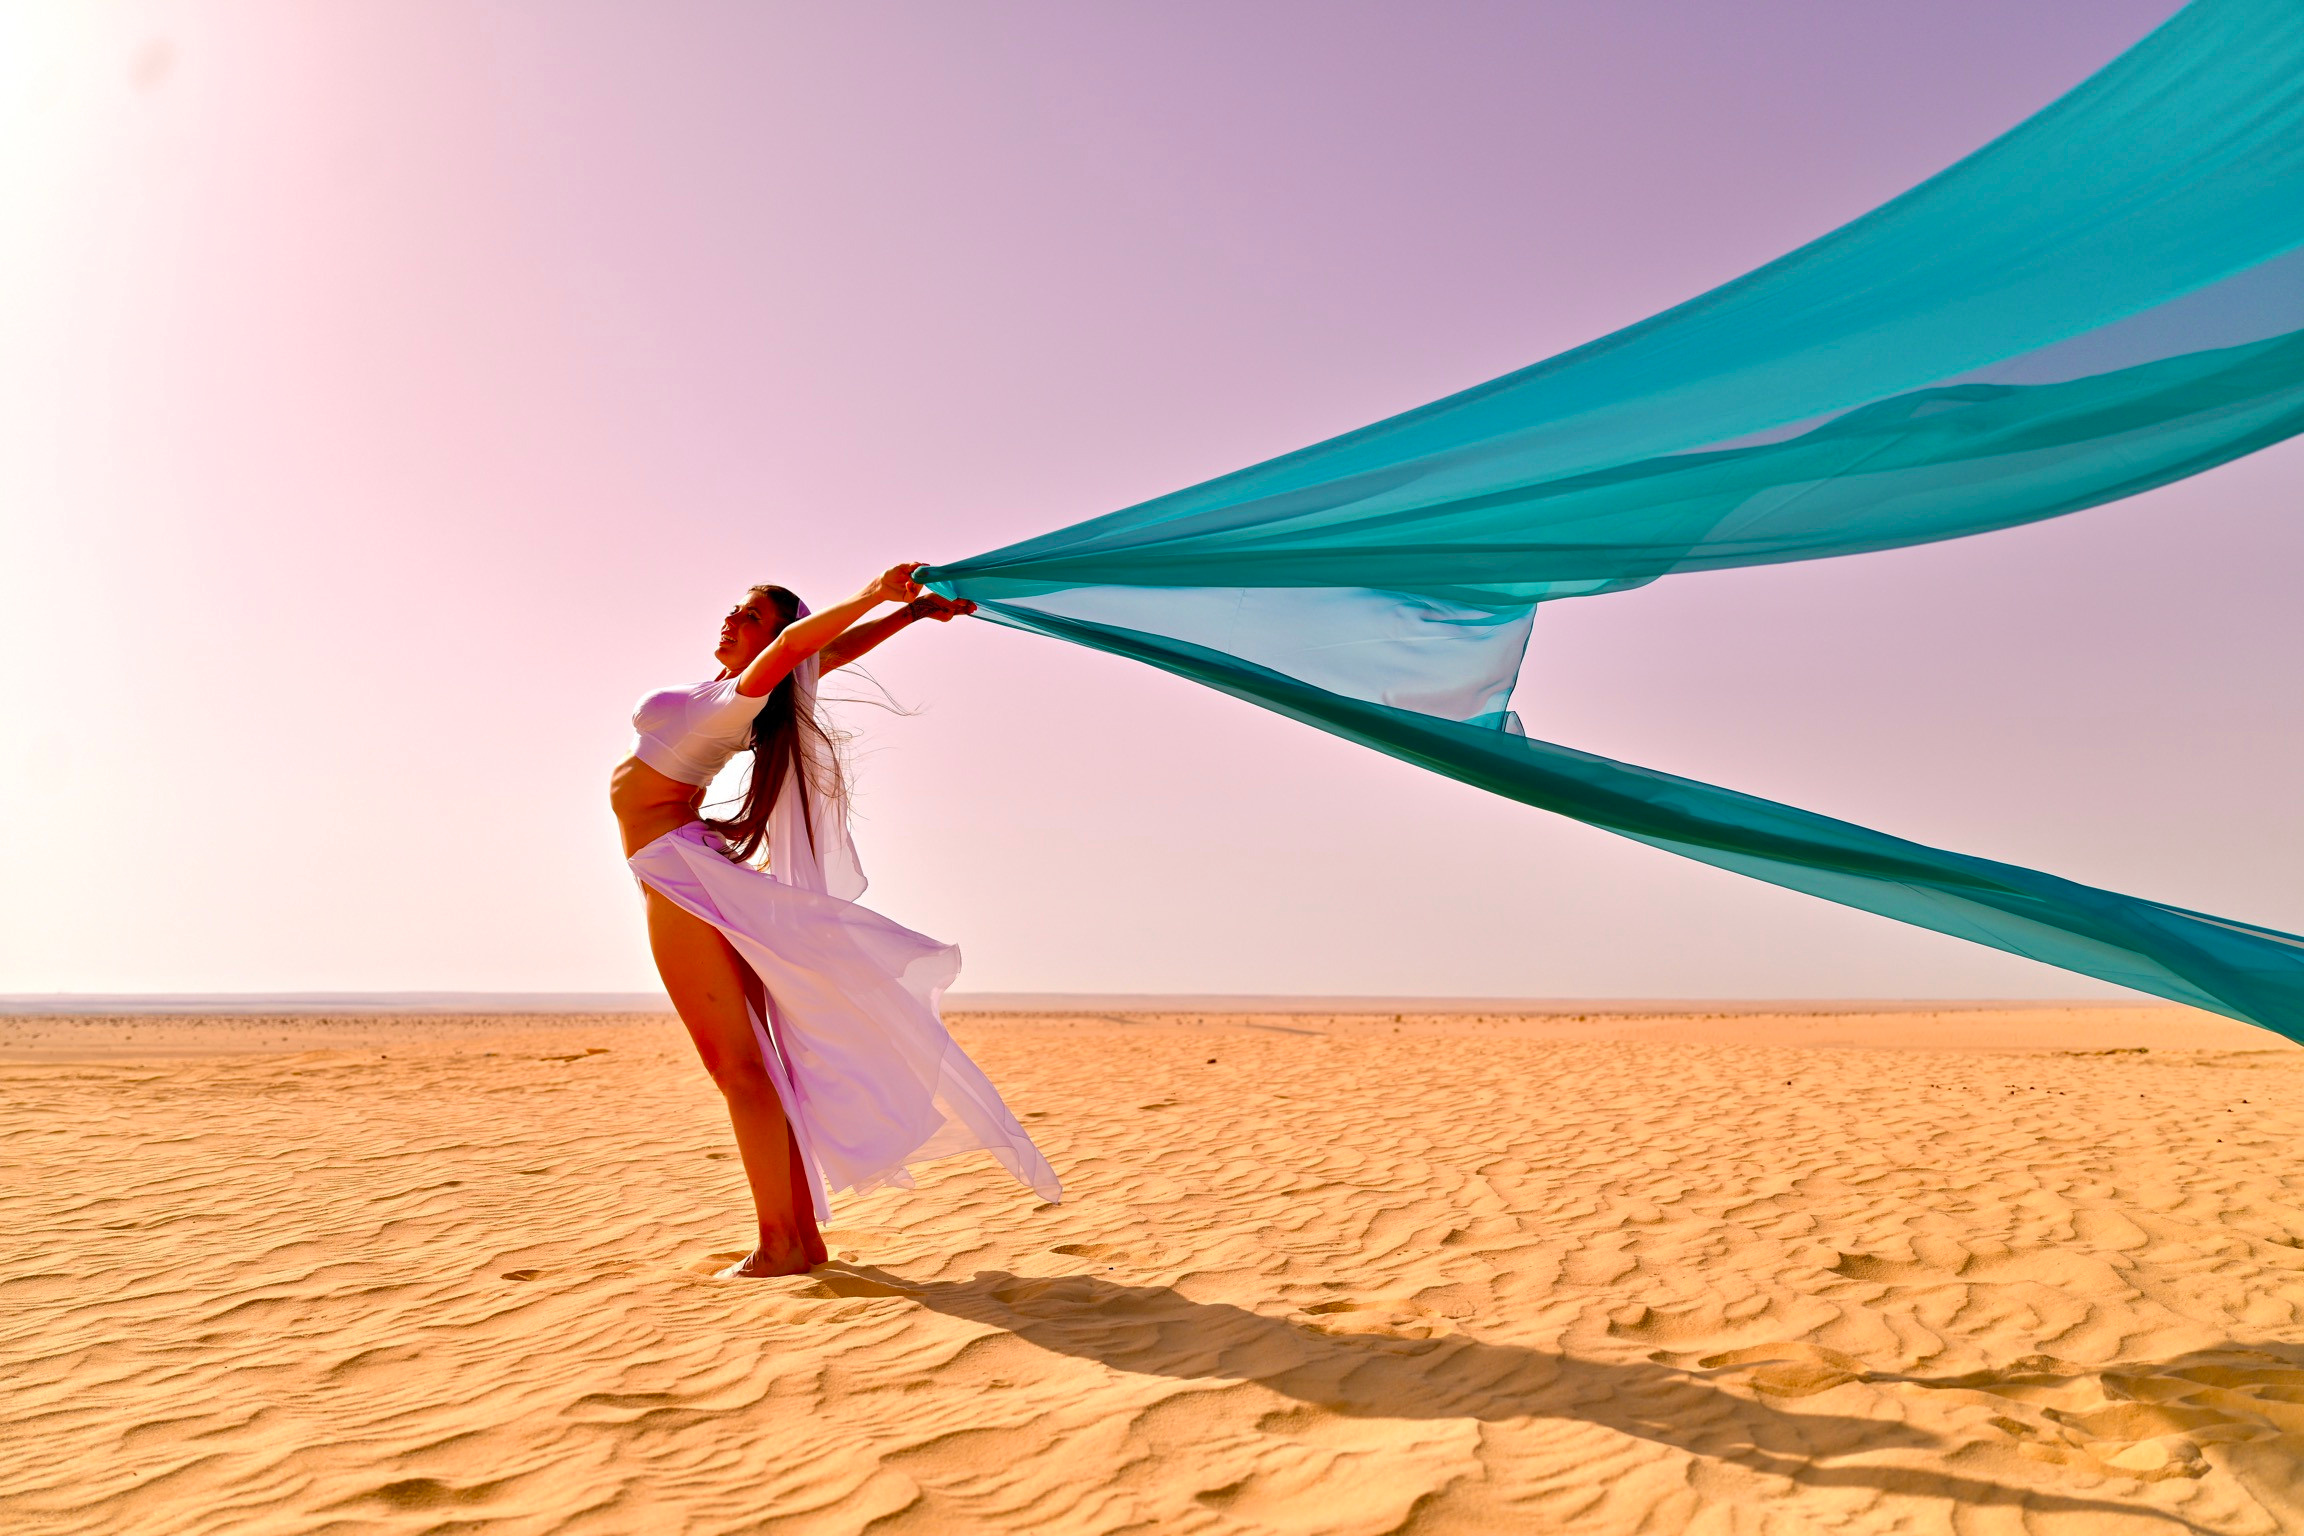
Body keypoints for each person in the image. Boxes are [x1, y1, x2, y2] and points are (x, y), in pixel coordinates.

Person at [609, 562, 1060, 1277]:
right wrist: (906, 619)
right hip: (681, 868)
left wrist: (875, 596)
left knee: (738, 1067)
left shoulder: (735, 703)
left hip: (677, 874)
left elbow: (795, 654)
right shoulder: (725, 693)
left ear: (773, 639)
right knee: (748, 1062)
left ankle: (780, 1244)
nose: (733, 620)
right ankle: (796, 1240)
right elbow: (821, 655)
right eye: (735, 609)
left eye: (752, 617)